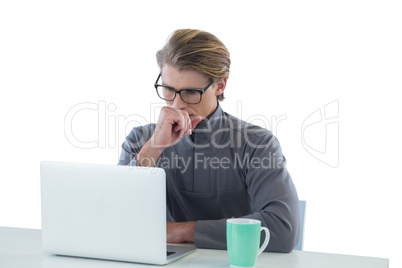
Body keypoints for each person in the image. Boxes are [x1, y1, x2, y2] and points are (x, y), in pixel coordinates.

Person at [118, 29, 300, 253]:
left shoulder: (257, 144)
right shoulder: (141, 141)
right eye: (168, 90)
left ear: (220, 85)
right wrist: (154, 148)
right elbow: (115, 220)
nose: (176, 105)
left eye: (191, 92)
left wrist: (181, 231)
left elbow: (283, 230)